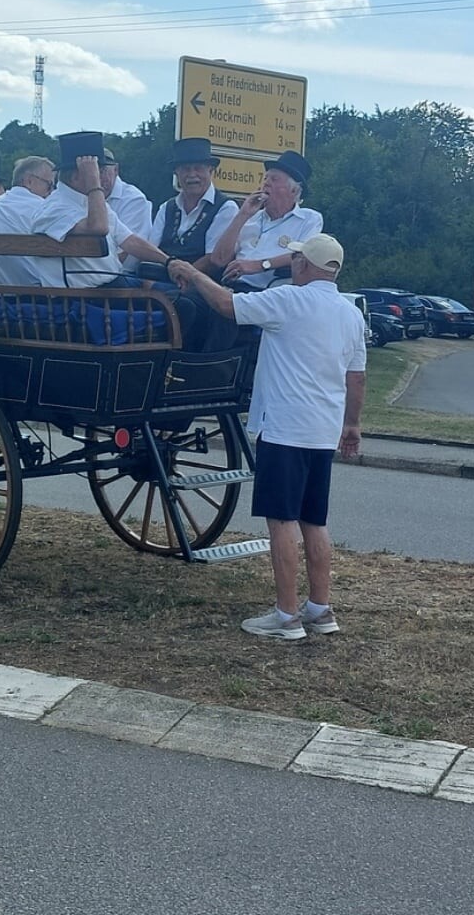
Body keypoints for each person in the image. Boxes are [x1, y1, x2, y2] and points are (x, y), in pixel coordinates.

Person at [169, 233, 364, 641]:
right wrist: (351, 424)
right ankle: (320, 608)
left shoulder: (289, 300)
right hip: (323, 429)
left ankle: (286, 615)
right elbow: (356, 378)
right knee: (314, 520)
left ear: (304, 265)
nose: (292, 264)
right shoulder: (350, 314)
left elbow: (227, 305)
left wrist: (194, 274)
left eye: (296, 259)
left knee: (281, 521)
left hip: (285, 425)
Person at [0, 154, 107, 290]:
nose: (52, 191)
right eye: (49, 185)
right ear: (29, 181)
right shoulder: (44, 210)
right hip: (36, 294)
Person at [211, 150, 323, 290]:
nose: (266, 183)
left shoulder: (308, 219)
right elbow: (218, 260)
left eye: (274, 179)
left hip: (270, 293)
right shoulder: (250, 217)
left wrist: (260, 265)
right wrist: (242, 215)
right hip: (232, 288)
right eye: (265, 178)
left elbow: (305, 255)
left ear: (293, 190)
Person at [121, 138, 239, 267]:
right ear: (176, 173)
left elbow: (213, 259)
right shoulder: (166, 208)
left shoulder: (226, 208)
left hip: (203, 279)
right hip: (161, 276)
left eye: (198, 168)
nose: (192, 174)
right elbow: (152, 250)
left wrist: (183, 275)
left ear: (210, 171)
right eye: (185, 169)